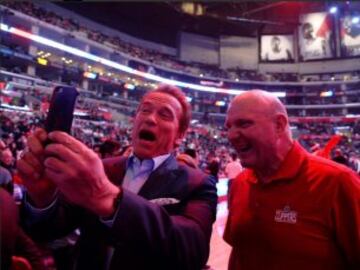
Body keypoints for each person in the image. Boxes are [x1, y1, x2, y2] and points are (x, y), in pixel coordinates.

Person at [18, 84, 218, 270]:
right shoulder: (103, 168)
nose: (150, 119)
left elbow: (193, 249)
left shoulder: (198, 183)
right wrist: (42, 198)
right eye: (145, 110)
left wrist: (106, 197)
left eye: (164, 115)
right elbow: (49, 230)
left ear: (180, 135)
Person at [224, 90, 360, 270]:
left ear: (279, 125)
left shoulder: (336, 182)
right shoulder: (240, 183)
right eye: (229, 127)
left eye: (244, 124)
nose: (231, 135)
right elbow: (240, 254)